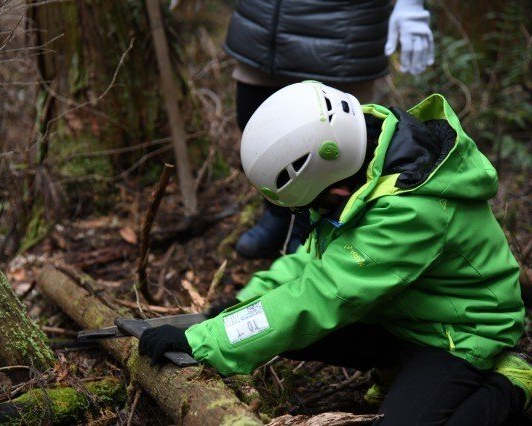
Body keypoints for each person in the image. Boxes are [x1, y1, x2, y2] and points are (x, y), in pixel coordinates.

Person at [139, 82, 531, 424]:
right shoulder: (363, 159)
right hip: (401, 310)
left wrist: (207, 341)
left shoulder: (411, 209)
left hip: (458, 333)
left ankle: (511, 384)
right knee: (286, 324)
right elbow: (314, 261)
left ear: (337, 191)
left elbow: (322, 293)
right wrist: (235, 308)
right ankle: (398, 367)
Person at [224, 0, 435, 258]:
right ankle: (279, 214)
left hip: (343, 28)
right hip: (264, 21)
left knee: (333, 139)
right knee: (254, 118)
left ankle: (315, 230)